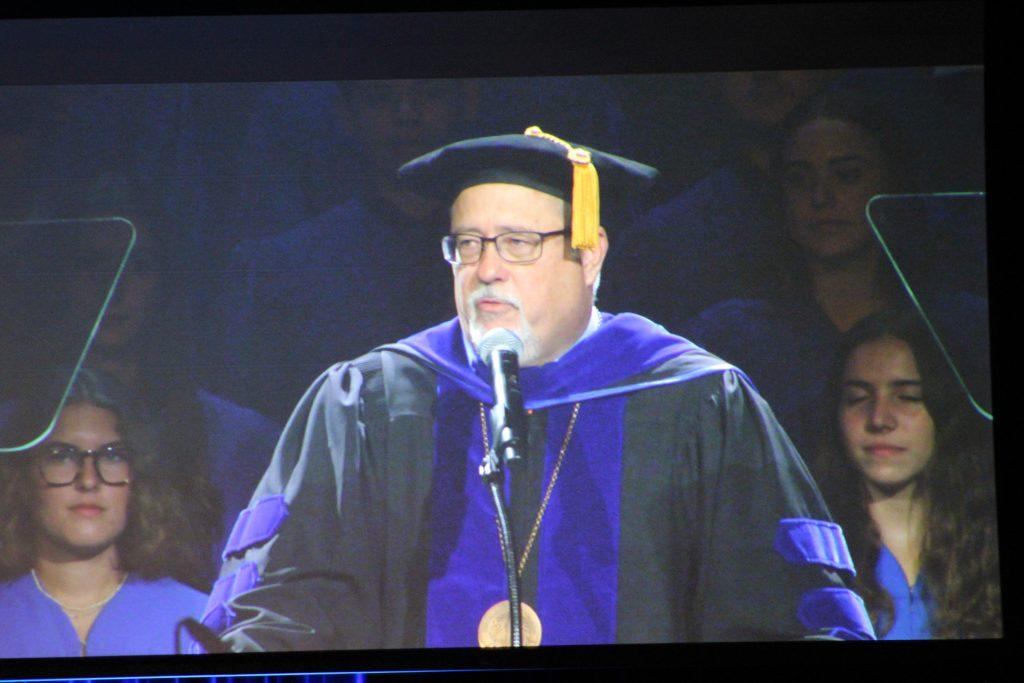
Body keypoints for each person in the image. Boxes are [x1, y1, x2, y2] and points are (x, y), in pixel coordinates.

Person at [202, 127, 873, 650]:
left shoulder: (696, 402)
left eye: (519, 242)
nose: (488, 267)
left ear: (591, 254)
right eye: (467, 244)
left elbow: (786, 614)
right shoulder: (367, 403)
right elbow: (284, 607)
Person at [682, 86, 988, 458]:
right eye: (799, 179)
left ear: (891, 182)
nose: (820, 198)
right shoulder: (728, 337)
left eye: (846, 176)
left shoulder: (959, 329)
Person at [812, 309, 1000, 639]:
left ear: (943, 408)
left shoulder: (985, 547)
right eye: (857, 398)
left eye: (907, 397)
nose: (879, 419)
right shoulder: (812, 557)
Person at [0, 369, 211, 657]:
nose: (88, 480)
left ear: (137, 478)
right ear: (21, 478)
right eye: (61, 456)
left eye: (112, 455)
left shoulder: (201, 621)